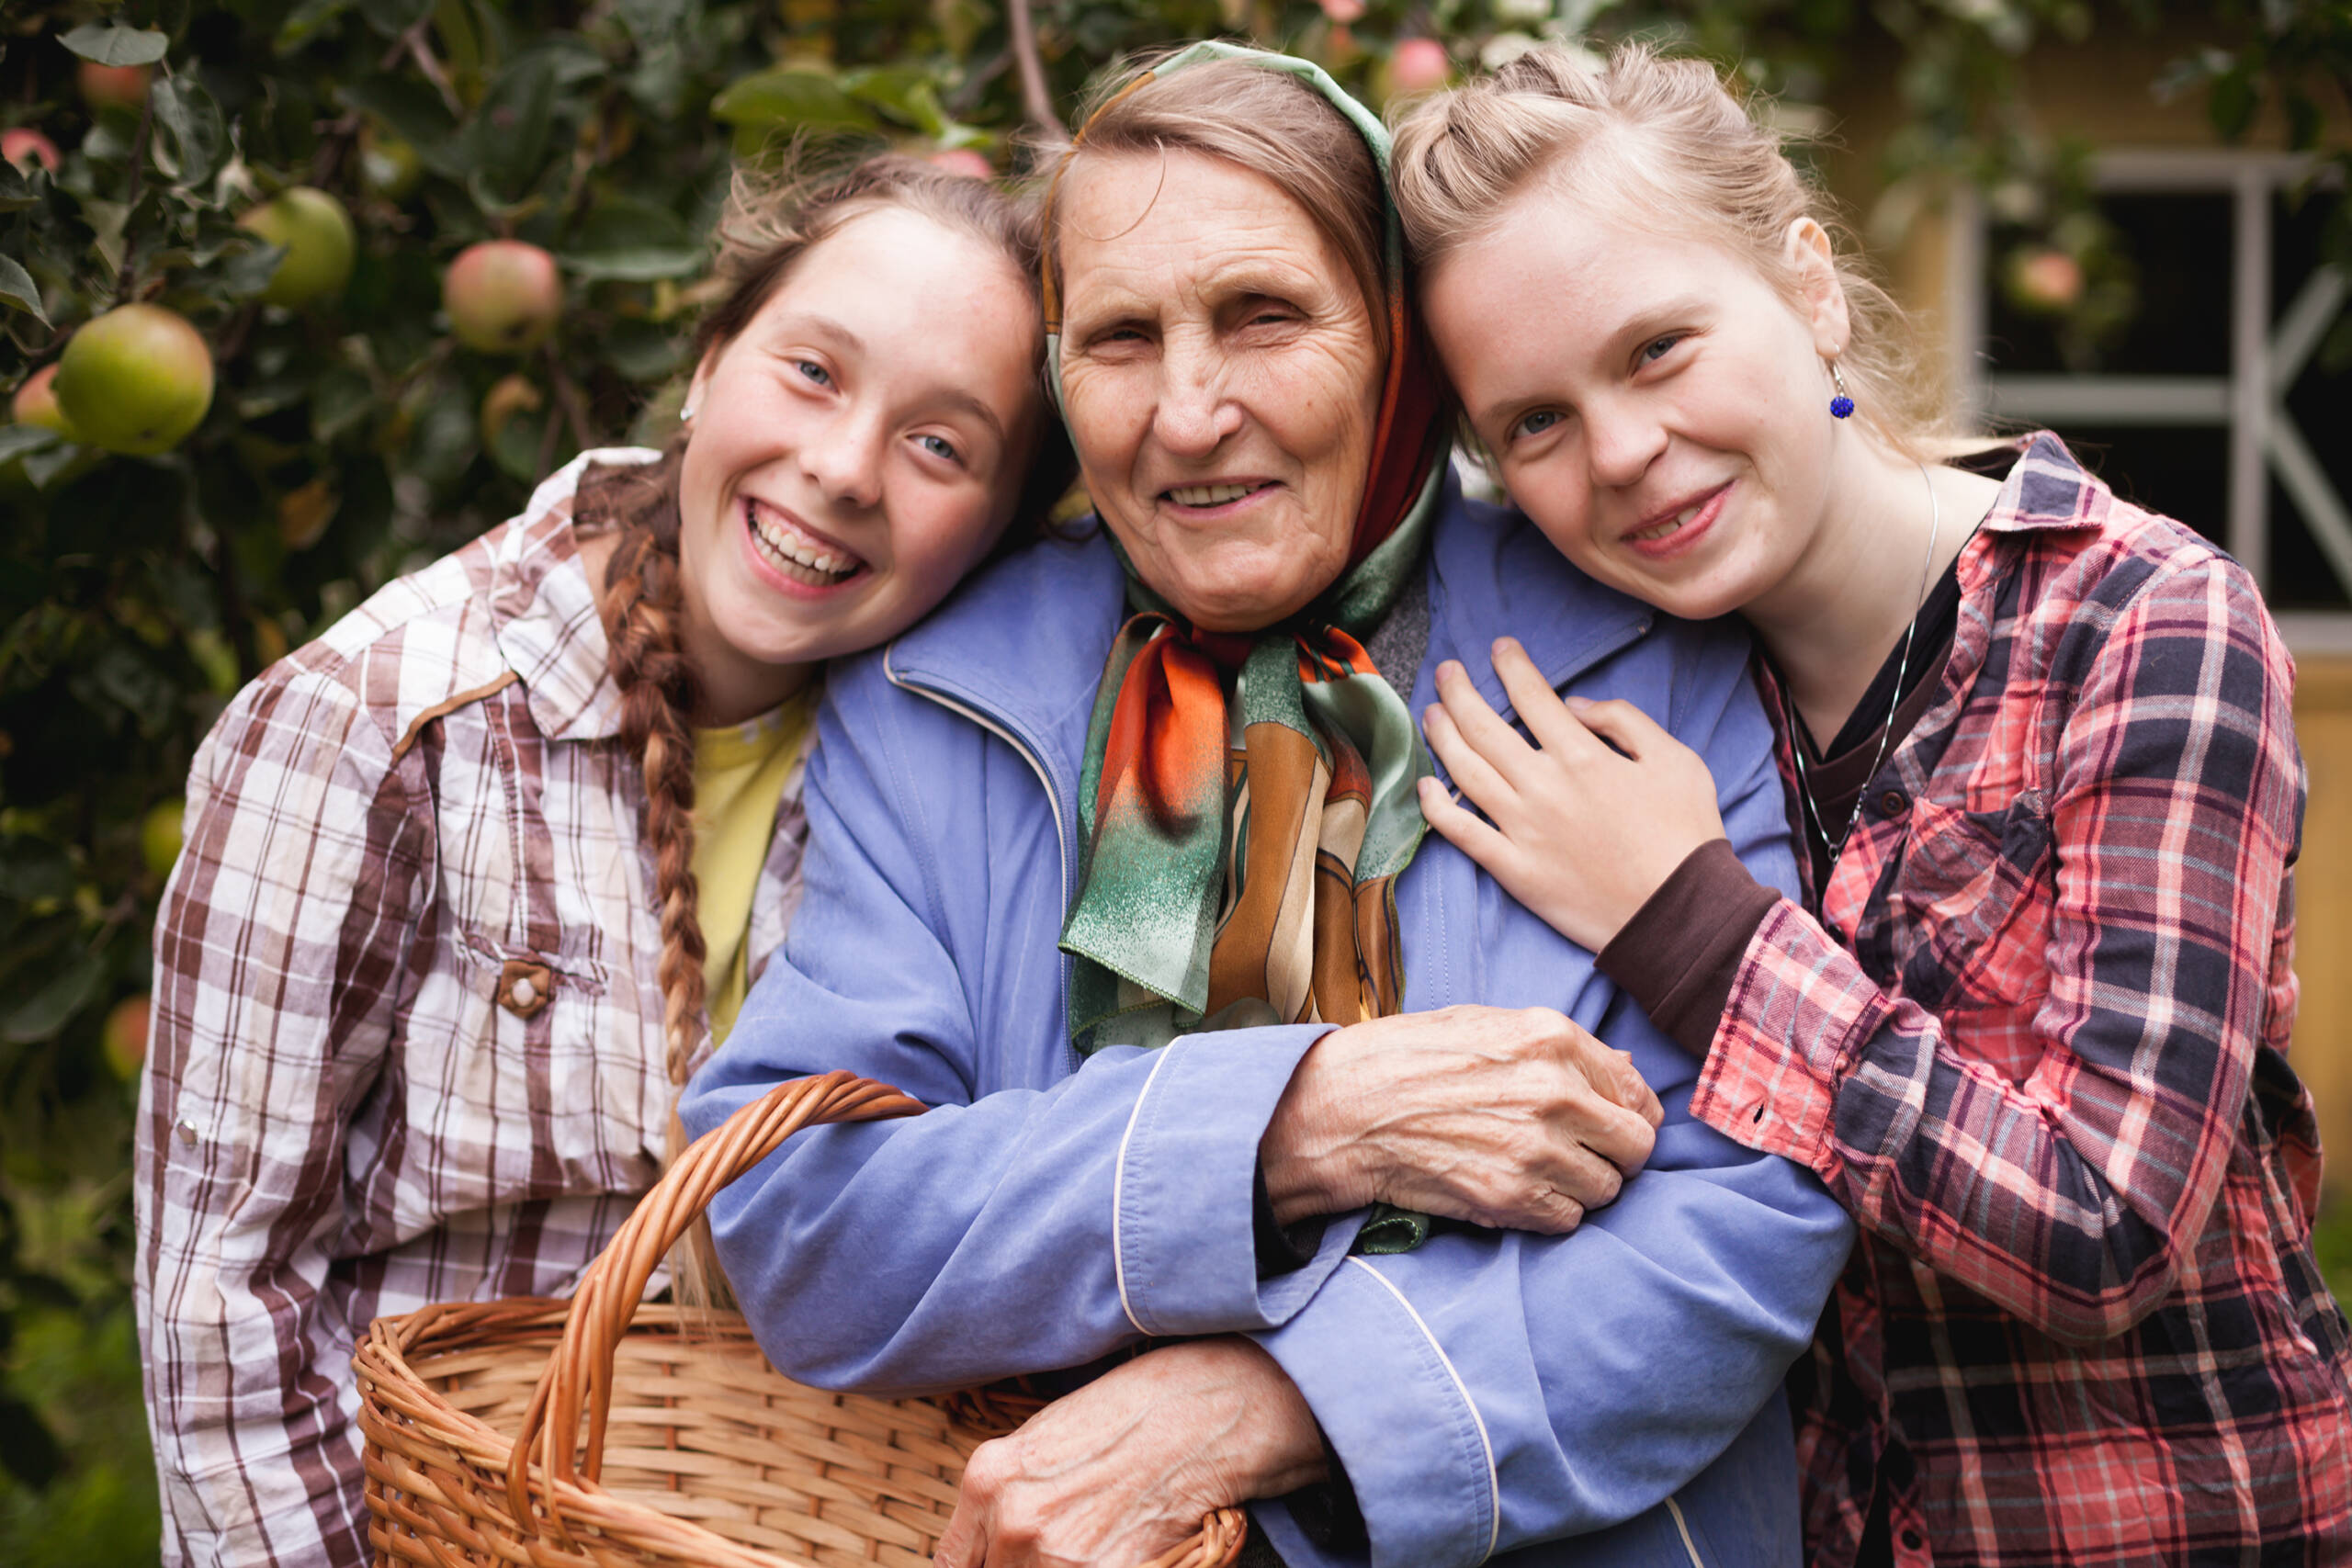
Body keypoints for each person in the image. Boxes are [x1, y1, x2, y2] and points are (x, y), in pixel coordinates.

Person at [683, 44, 1851, 1568]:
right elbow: (804, 1220)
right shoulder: (937, 699)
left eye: (1263, 317)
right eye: (1117, 336)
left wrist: (1282, 1401)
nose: (1185, 412)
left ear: (1399, 350)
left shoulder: (1637, 643)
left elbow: (1755, 1217)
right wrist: (1290, 1127)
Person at [1390, 40, 2352, 1568]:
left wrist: (1690, 925)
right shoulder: (1643, 691)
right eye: (1534, 425)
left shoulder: (2147, 627)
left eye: (1657, 350)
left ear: (1811, 287)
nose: (1625, 456)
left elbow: (2107, 1227)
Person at [134, 154, 1069, 1568]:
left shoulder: (963, 781)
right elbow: (219, 1311)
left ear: (999, 523)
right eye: (813, 371)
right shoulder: (377, 732)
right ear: (708, 359)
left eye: (943, 446)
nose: (842, 466)